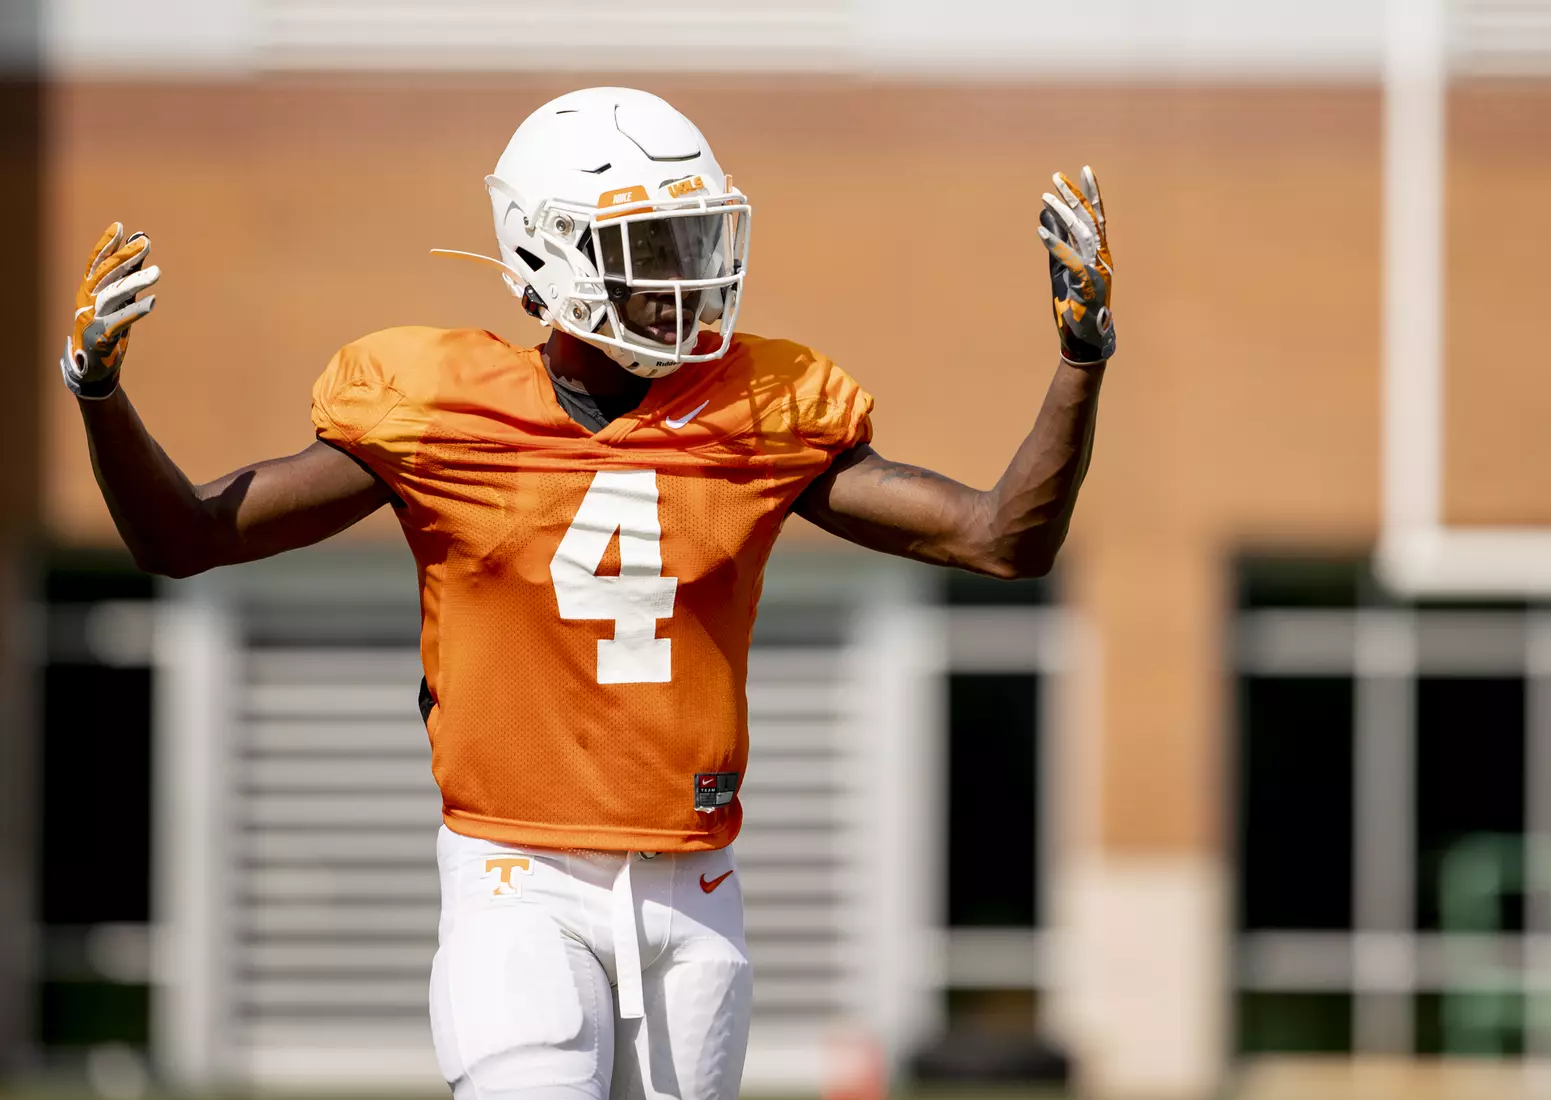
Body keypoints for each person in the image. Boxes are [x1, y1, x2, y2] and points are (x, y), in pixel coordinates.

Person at [59, 87, 1116, 1100]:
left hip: (697, 888)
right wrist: (99, 394)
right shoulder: (438, 409)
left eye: (692, 241)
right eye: (645, 251)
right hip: (515, 871)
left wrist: (1080, 361)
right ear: (538, 255)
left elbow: (1001, 541)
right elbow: (185, 538)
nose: (682, 279)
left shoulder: (760, 408)